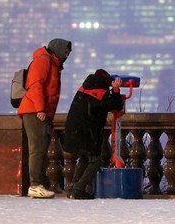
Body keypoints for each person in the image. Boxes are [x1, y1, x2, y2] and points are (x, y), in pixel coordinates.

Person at [17, 38, 71, 198]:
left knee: (41, 147)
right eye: (66, 51)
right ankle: (35, 185)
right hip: (34, 110)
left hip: (38, 111)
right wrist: (40, 109)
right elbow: (35, 85)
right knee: (37, 148)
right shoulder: (43, 60)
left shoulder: (52, 63)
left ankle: (40, 183)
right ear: (58, 49)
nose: (67, 55)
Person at [63, 69, 124, 200]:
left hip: (73, 129)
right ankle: (78, 189)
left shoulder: (84, 88)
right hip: (87, 132)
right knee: (96, 161)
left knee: (85, 158)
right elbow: (116, 105)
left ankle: (73, 188)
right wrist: (116, 90)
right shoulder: (101, 92)